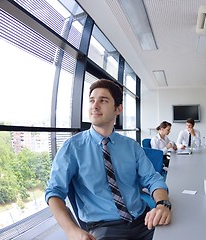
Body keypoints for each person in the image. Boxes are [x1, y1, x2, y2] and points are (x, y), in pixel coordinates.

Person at [45, 79, 171, 240]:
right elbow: (54, 193)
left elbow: (153, 179)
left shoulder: (131, 146)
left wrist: (162, 204)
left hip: (143, 219)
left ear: (118, 108)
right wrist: (71, 230)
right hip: (103, 226)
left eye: (103, 100)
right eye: (92, 100)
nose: (94, 105)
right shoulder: (72, 148)